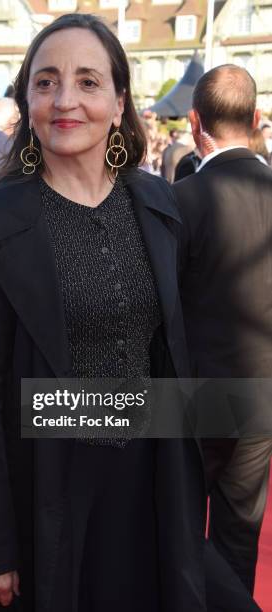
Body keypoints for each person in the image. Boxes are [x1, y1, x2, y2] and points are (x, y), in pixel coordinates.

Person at [0, 13, 214, 612]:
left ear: (119, 103)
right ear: (28, 101)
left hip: (150, 492)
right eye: (46, 82)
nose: (66, 100)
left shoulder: (159, 205)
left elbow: (175, 359)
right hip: (42, 493)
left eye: (88, 82)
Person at [174, 65, 272, 596]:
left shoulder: (182, 200)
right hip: (263, 391)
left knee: (180, 528)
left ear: (195, 123)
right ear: (256, 119)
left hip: (194, 394)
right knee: (240, 533)